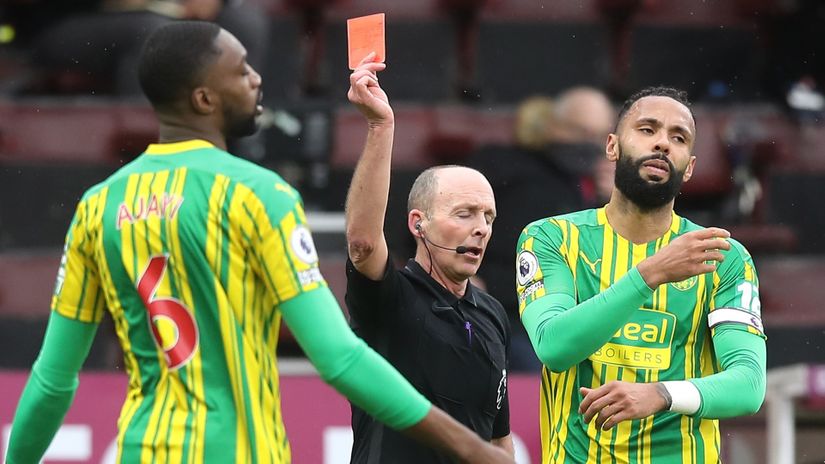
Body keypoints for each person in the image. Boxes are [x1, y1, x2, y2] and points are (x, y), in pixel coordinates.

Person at [5, 22, 514, 464]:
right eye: (241, 69)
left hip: (142, 446)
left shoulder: (99, 206)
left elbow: (52, 381)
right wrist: (472, 449)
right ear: (204, 99)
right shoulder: (257, 195)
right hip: (240, 451)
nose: (257, 78)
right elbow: (338, 358)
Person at [516, 86, 767, 462]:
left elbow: (748, 385)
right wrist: (649, 274)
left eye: (678, 137)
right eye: (647, 130)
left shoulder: (722, 257)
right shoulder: (552, 238)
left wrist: (661, 394)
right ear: (612, 146)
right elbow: (554, 347)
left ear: (691, 166)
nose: (663, 144)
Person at [344, 53, 513, 463]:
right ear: (418, 223)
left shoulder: (492, 314)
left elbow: (498, 441)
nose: (482, 228)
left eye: (488, 216)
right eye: (465, 214)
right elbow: (363, 243)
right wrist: (380, 126)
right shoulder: (391, 297)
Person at [467, 86, 614, 372]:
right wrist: (466, 277)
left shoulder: (595, 187)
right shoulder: (500, 165)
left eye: (599, 136)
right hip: (496, 308)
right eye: (581, 132)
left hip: (562, 313)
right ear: (553, 125)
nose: (590, 144)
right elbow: (437, 215)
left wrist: (614, 203)